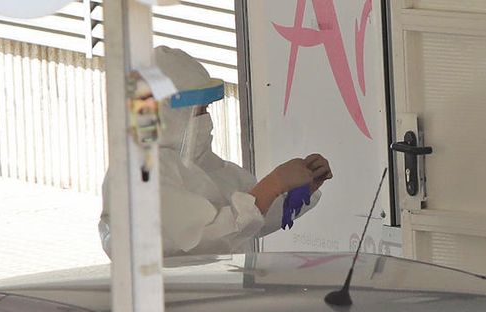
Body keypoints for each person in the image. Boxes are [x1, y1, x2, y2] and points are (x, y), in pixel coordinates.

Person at [99, 46, 332, 257]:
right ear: (165, 114)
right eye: (198, 111)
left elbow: (252, 219)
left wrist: (298, 191)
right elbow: (205, 237)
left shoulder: (205, 166)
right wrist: (272, 185)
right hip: (175, 292)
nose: (206, 119)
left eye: (207, 109)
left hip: (219, 287)